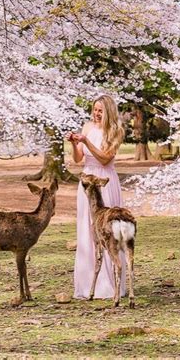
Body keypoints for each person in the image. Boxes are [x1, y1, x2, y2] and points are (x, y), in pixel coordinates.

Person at [67, 95, 126, 299]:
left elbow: (104, 159)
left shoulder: (116, 131)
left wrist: (87, 142)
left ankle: (111, 284)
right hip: (87, 182)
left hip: (105, 181)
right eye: (94, 109)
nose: (96, 113)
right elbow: (77, 159)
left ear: (108, 111)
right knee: (87, 229)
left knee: (107, 230)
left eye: (100, 110)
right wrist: (75, 144)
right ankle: (87, 284)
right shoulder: (87, 127)